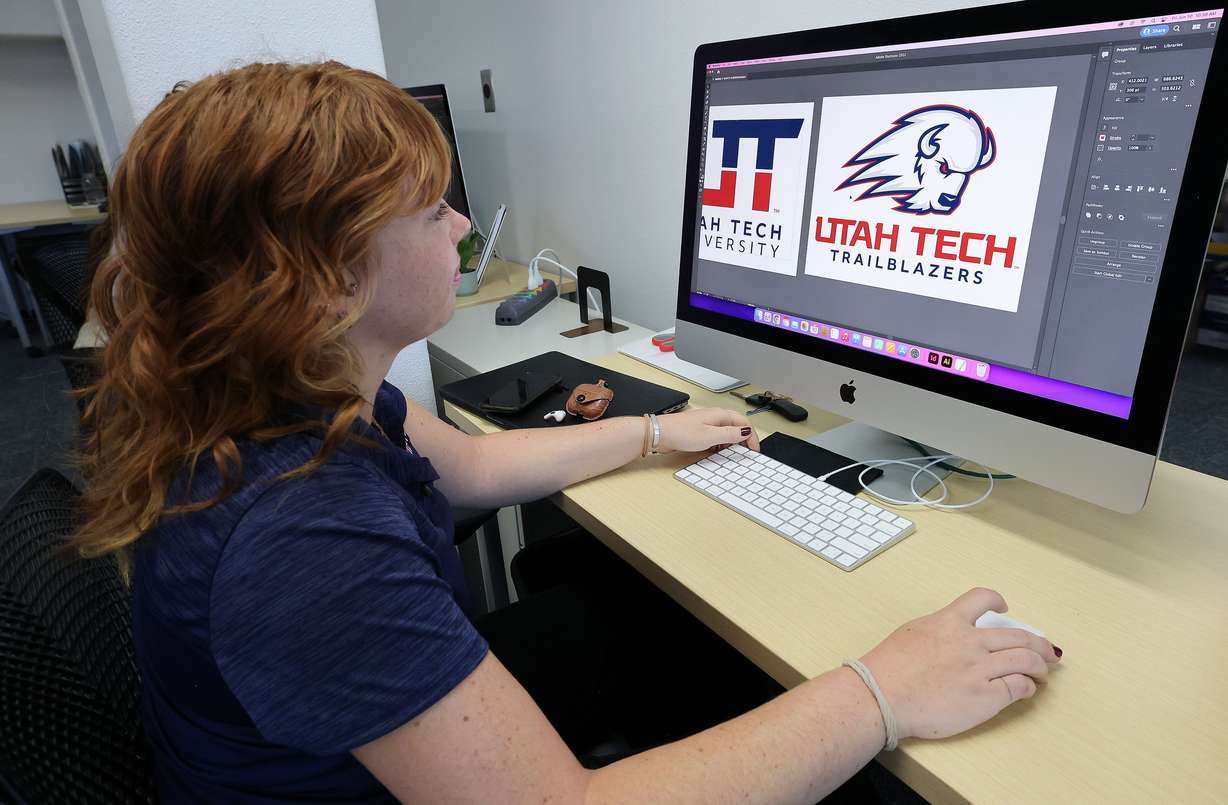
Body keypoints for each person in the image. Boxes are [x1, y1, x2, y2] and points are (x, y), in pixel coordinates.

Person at [71, 61, 1061, 803]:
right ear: (325, 278)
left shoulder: (278, 389)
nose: (462, 227)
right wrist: (884, 691)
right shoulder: (303, 537)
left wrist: (653, 434)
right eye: (431, 211)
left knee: (665, 628)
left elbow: (472, 463)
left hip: (357, 754)